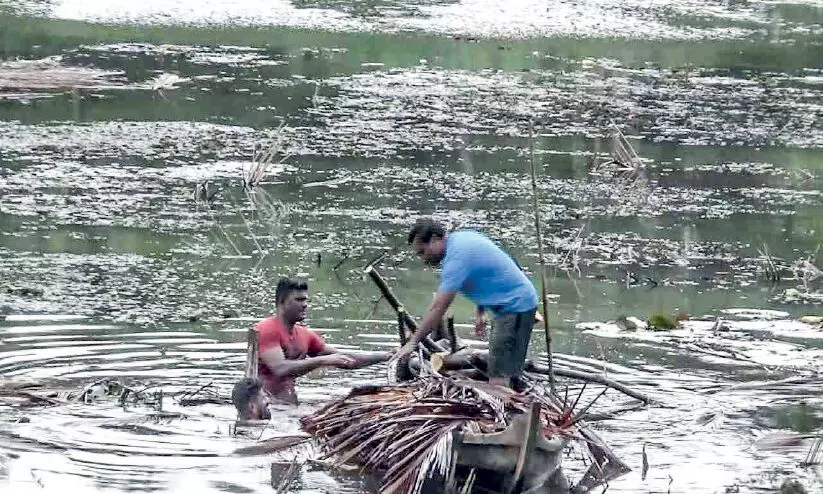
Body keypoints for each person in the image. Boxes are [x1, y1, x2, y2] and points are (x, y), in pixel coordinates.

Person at [394, 219, 539, 389]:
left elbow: (439, 307)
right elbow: (489, 268)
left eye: (422, 252)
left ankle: (504, 409)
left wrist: (413, 343)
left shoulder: (456, 259)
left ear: (434, 239)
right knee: (509, 370)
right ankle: (515, 403)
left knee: (498, 377)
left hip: (515, 308)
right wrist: (481, 310)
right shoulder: (463, 238)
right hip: (518, 304)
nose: (423, 259)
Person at [256, 277, 393, 404]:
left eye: (305, 300)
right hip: (264, 408)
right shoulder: (267, 329)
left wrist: (386, 356)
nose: (305, 305)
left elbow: (344, 359)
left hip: (289, 404)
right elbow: (280, 368)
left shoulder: (305, 335)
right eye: (299, 300)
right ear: (281, 302)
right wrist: (323, 361)